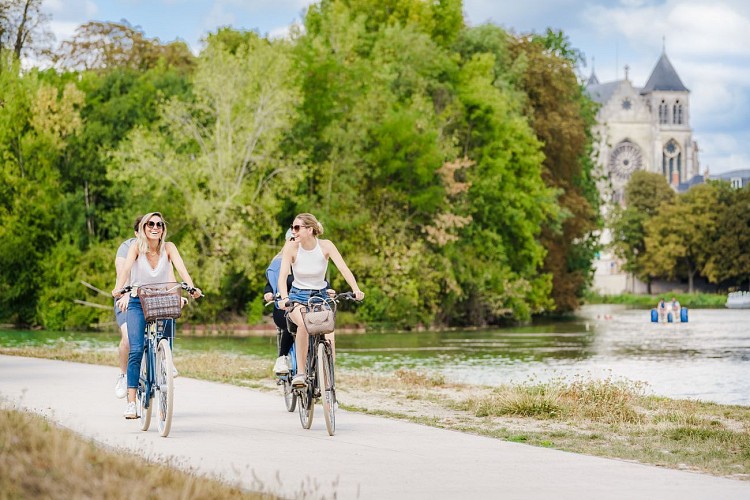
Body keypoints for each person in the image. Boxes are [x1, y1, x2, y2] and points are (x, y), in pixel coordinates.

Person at [112, 212, 201, 419]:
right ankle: (132, 403)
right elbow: (125, 271)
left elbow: (181, 271)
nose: (155, 227)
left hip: (160, 300)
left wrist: (191, 288)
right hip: (137, 301)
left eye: (159, 224)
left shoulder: (169, 248)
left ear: (163, 228)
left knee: (167, 331)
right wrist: (119, 289)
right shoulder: (136, 248)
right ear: (143, 228)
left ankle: (165, 362)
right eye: (150, 224)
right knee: (135, 349)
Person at [277, 213, 364, 388]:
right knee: (303, 324)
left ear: (309, 229)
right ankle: (301, 374)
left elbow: (343, 269)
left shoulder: (326, 246)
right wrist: (284, 298)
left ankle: (328, 384)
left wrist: (356, 289)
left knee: (330, 336)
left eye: (297, 228)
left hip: (321, 296)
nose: (293, 231)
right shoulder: (291, 248)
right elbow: (282, 276)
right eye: (293, 227)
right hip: (297, 297)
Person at [113, 216, 143, 399]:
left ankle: (163, 361)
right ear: (136, 233)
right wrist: (123, 294)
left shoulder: (158, 248)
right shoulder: (127, 247)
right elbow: (121, 273)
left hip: (147, 299)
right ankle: (123, 375)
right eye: (144, 228)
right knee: (128, 339)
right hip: (126, 296)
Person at [264, 228, 295, 375]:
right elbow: (270, 284)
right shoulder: (278, 263)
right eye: (293, 240)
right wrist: (269, 293)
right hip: (284, 307)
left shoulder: (306, 261)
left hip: (305, 305)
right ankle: (282, 358)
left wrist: (328, 289)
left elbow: (319, 280)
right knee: (292, 321)